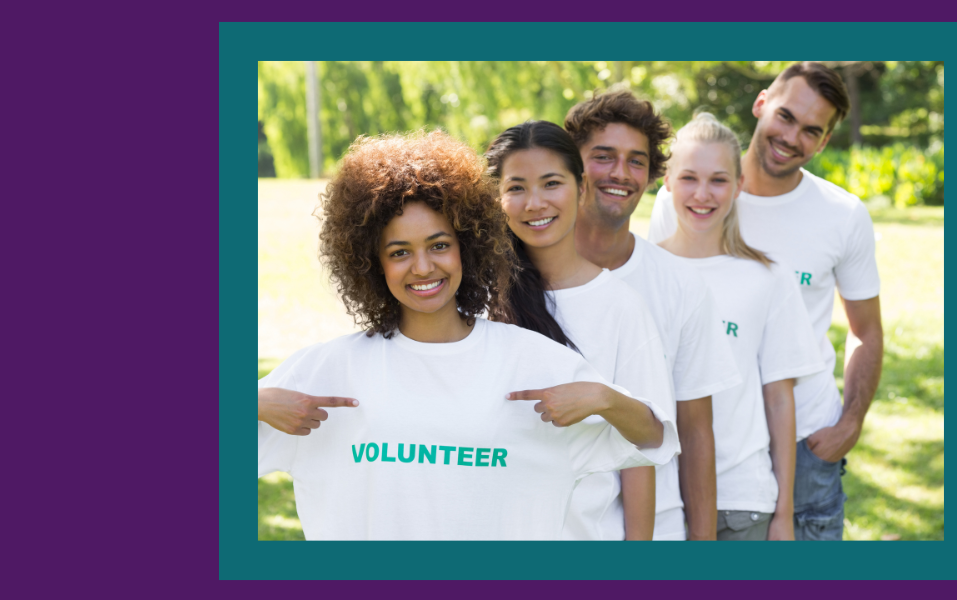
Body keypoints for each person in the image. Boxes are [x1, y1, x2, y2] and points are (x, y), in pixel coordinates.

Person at [257, 130, 678, 540]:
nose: (423, 267)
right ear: (371, 263)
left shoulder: (532, 360)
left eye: (439, 245)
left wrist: (606, 398)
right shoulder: (329, 372)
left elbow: (655, 439)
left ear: (468, 246)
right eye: (399, 252)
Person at [649, 62, 884, 540]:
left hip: (804, 439)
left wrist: (851, 422)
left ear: (823, 142)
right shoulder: (685, 200)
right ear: (761, 105)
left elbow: (867, 332)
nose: (792, 136)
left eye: (811, 130)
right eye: (785, 116)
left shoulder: (842, 216)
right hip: (702, 437)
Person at [484, 120, 674, 541]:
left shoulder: (622, 308)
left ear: (582, 187)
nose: (535, 202)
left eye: (552, 183)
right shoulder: (473, 301)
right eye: (516, 188)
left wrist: (602, 398)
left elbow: (649, 441)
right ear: (495, 199)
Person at [565, 91, 742, 541]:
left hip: (658, 529)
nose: (620, 173)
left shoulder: (680, 285)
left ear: (651, 176)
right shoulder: (522, 276)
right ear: (573, 164)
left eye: (636, 161)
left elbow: (696, 431)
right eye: (603, 157)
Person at [657, 113, 825, 541]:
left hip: (741, 502)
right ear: (667, 181)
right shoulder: (641, 270)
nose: (702, 194)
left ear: (739, 185)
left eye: (718, 180)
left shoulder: (767, 277)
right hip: (657, 499)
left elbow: (779, 399)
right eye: (689, 178)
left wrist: (784, 514)